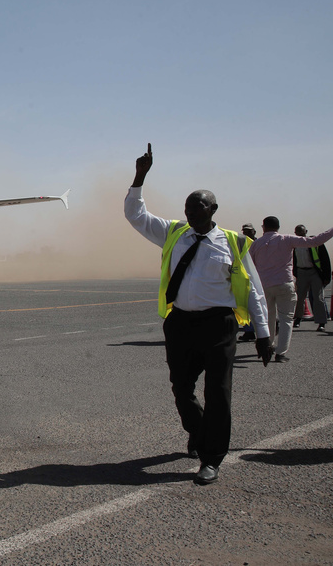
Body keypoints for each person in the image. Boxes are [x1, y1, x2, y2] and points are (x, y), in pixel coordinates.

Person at [124, 144, 269, 486]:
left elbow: (253, 291)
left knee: (218, 392)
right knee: (181, 388)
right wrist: (139, 176)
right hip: (180, 324)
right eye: (188, 206)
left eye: (198, 205)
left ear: (213, 208)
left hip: (219, 326)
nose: (190, 210)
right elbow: (136, 216)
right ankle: (199, 430)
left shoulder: (233, 243)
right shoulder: (173, 233)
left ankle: (211, 458)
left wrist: (263, 334)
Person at [249, 217, 333, 362]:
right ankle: (280, 353)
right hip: (284, 285)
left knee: (268, 317)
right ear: (278, 227)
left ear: (263, 227)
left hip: (264, 286)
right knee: (286, 319)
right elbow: (315, 241)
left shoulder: (256, 244)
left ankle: (268, 346)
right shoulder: (286, 239)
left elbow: (250, 266)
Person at [292, 225, 331, 332]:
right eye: (297, 233)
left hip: (314, 272)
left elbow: (325, 260)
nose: (300, 235)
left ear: (306, 232)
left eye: (302, 233)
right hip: (301, 273)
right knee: (299, 298)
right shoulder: (294, 244)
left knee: (318, 298)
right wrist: (295, 274)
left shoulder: (315, 243)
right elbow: (294, 261)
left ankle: (321, 322)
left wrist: (326, 277)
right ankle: (298, 319)